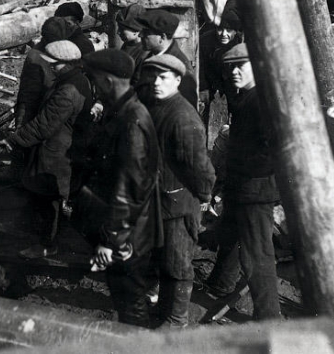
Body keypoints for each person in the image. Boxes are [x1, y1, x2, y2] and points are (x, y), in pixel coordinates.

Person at [75, 49, 159, 326]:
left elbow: (129, 187)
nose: (94, 89)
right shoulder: (123, 111)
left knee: (130, 302)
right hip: (128, 229)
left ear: (108, 82)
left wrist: (112, 241)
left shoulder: (131, 119)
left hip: (127, 234)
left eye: (96, 81)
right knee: (128, 297)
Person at [203, 44, 281, 321]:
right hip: (241, 185)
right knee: (229, 232)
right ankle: (221, 283)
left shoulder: (264, 102)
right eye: (231, 67)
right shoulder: (249, 96)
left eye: (241, 66)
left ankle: (270, 317)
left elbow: (274, 149)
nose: (234, 72)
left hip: (255, 187)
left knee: (257, 254)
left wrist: (245, 175)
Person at [137, 55, 216, 328]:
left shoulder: (182, 117)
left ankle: (177, 319)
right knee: (162, 257)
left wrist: (204, 197)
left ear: (178, 81)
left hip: (178, 202)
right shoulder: (156, 106)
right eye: (153, 77)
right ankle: (164, 309)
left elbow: (200, 166)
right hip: (159, 198)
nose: (156, 83)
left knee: (177, 262)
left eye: (164, 78)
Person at [0, 40, 93, 259]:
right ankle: (30, 231)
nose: (51, 67)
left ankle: (47, 245)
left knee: (48, 200)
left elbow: (44, 124)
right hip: (56, 149)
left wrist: (14, 140)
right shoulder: (74, 80)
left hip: (56, 154)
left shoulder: (67, 91)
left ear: (69, 63)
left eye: (55, 64)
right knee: (37, 193)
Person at [135, 9, 198, 108]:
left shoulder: (181, 67)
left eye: (146, 32)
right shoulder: (150, 57)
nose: (140, 35)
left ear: (162, 37)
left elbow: (187, 109)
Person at [116, 3, 146, 68]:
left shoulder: (144, 53)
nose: (118, 32)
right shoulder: (127, 44)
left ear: (136, 30)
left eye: (122, 29)